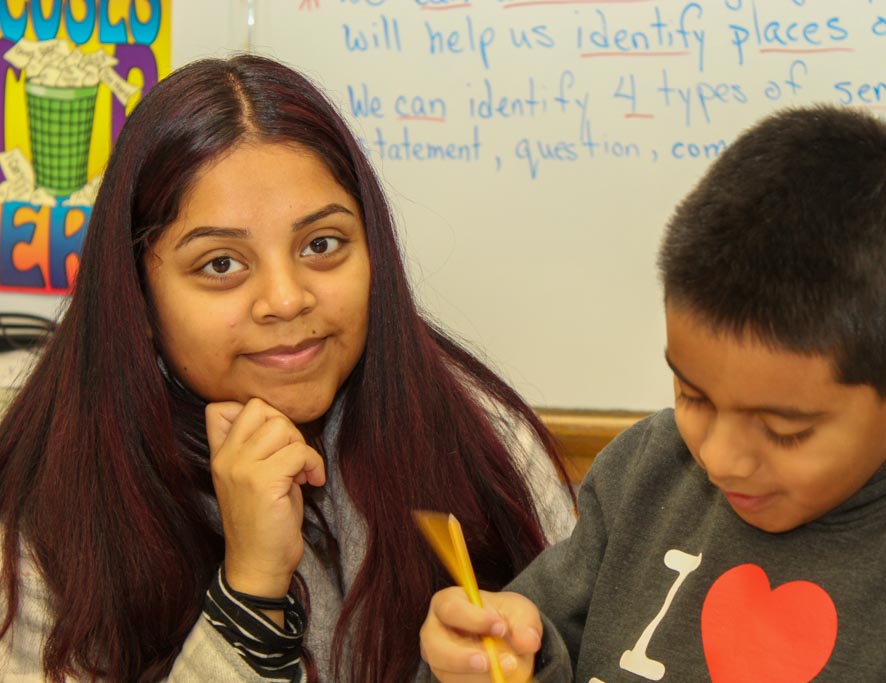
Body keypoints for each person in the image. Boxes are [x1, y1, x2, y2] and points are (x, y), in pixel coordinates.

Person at [0, 54, 576, 682]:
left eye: (321, 245)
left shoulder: (484, 441)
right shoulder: (46, 491)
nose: (286, 298)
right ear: (137, 295)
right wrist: (249, 590)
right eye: (221, 264)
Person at [419, 105, 886, 682]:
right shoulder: (646, 471)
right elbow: (524, 644)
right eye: (692, 395)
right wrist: (491, 663)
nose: (720, 460)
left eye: (785, 430)